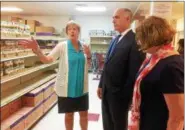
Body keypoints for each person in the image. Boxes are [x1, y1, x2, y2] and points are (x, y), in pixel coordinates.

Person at [18, 20, 91, 130]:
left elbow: (88, 66)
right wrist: (38, 50)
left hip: (81, 88)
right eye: (69, 29)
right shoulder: (62, 46)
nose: (72, 31)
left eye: (74, 29)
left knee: (84, 115)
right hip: (67, 89)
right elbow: (48, 59)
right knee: (69, 116)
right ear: (67, 32)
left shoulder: (84, 47)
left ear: (78, 31)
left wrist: (89, 55)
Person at [130, 16, 184, 130]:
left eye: (141, 38)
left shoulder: (170, 66)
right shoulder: (154, 58)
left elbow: (177, 116)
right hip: (147, 121)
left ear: (151, 38)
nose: (139, 42)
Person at [97, 8, 145, 130]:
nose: (113, 20)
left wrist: (125, 97)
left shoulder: (134, 41)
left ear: (128, 19)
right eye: (113, 17)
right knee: (107, 123)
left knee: (118, 125)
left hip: (119, 95)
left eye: (116, 17)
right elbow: (107, 64)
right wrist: (101, 84)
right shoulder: (115, 40)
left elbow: (134, 73)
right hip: (107, 91)